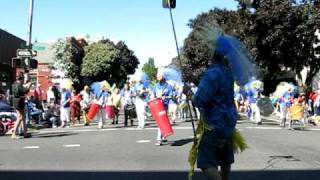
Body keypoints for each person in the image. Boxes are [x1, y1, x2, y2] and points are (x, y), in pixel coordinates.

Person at [193, 52, 238, 180]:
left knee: (206, 162)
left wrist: (189, 94)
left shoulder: (212, 74)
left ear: (211, 58)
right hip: (228, 122)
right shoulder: (228, 74)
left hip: (213, 123)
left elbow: (199, 100)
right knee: (225, 161)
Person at [152, 71, 173, 146]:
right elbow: (152, 95)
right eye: (157, 77)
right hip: (157, 106)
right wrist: (154, 98)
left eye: (159, 77)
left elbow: (171, 96)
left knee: (161, 122)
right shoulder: (156, 86)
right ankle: (163, 136)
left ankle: (159, 139)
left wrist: (165, 97)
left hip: (164, 106)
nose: (158, 78)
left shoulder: (168, 86)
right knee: (160, 122)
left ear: (163, 77)